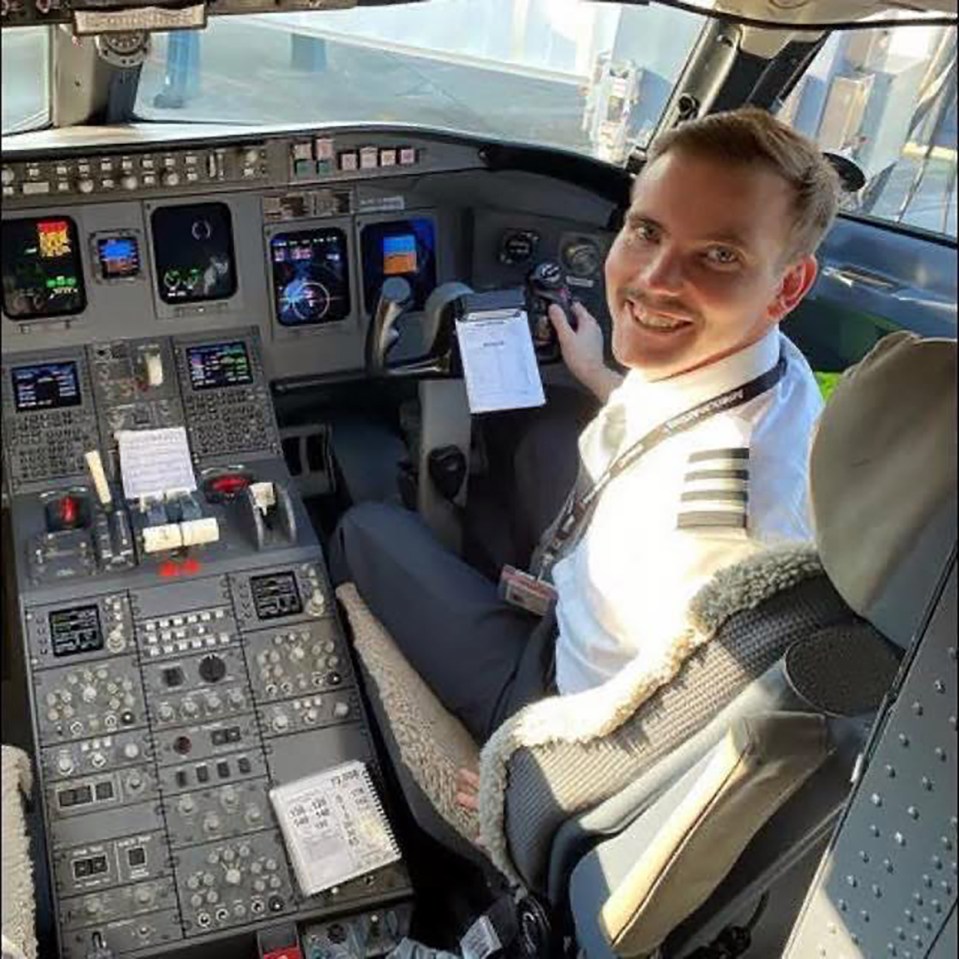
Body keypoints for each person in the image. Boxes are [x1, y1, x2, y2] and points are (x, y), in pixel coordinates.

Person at [331, 107, 840, 810]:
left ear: (788, 285)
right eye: (646, 231)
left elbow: (695, 729)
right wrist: (599, 371)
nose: (654, 281)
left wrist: (541, 779)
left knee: (365, 528)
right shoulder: (771, 368)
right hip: (583, 598)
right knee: (543, 432)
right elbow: (674, 416)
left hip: (555, 698)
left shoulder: (725, 534)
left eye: (718, 255)